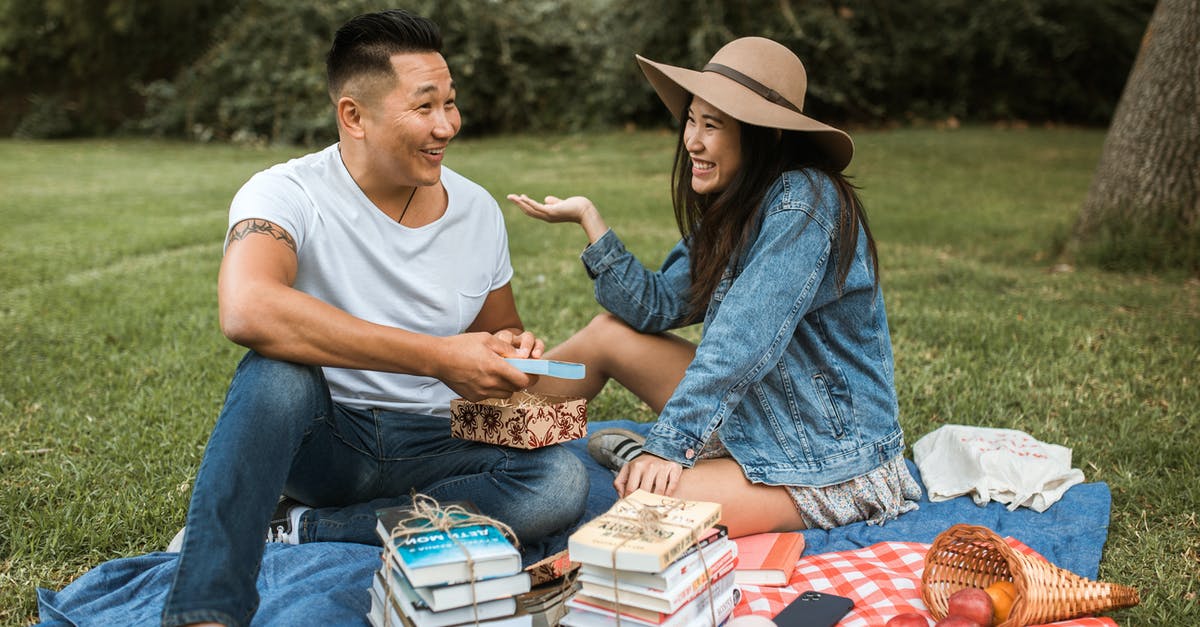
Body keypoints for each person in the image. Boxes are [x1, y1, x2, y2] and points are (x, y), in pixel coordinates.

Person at [161, 10, 588, 627]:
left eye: (451, 102)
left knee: (558, 482)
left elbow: (495, 331)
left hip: (432, 439)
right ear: (353, 116)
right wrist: (438, 356)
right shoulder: (284, 194)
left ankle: (302, 527)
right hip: (325, 440)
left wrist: (504, 350)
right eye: (424, 107)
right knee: (277, 375)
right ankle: (206, 612)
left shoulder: (476, 210)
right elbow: (248, 307)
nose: (447, 125)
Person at [508, 37, 920, 538]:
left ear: (761, 135)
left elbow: (744, 339)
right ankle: (487, 442)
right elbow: (654, 306)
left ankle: (654, 460)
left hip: (826, 453)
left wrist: (669, 445)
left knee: (642, 517)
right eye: (691, 120)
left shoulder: (805, 202)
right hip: (757, 410)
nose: (692, 142)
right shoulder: (740, 203)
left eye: (713, 125)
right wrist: (591, 221)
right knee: (606, 334)